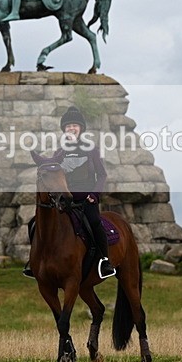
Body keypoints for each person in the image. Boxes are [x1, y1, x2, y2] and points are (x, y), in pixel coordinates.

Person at [24, 106, 115, 279]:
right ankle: (35, 260)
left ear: (81, 128)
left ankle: (105, 261)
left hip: (86, 200)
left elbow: (102, 175)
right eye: (68, 126)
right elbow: (54, 177)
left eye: (75, 125)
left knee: (95, 223)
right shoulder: (59, 152)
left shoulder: (91, 149)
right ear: (64, 130)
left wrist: (94, 195)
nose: (71, 128)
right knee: (34, 223)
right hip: (65, 201)